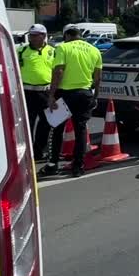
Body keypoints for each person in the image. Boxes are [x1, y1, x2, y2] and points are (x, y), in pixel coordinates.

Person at [42, 25, 103, 178]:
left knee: (56, 128)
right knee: (81, 130)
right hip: (85, 93)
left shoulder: (63, 47)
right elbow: (98, 77)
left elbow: (59, 71)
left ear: (67, 36)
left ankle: (52, 164)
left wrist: (51, 94)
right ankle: (78, 166)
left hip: (65, 93)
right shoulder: (94, 50)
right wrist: (95, 96)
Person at [18, 24, 56, 160]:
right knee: (27, 123)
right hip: (27, 92)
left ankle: (39, 150)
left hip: (45, 93)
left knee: (46, 122)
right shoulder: (21, 51)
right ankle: (26, 151)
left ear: (44, 36)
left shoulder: (53, 51)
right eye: (31, 35)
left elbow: (58, 71)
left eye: (35, 35)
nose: (31, 38)